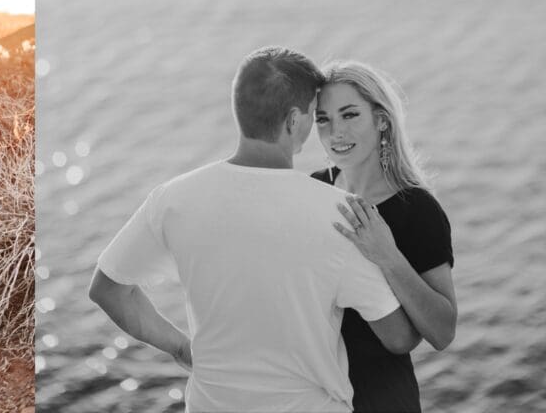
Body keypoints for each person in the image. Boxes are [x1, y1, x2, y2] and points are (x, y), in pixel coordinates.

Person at [89, 46, 422, 412]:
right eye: (315, 115)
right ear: (294, 121)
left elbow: (108, 291)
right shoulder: (339, 213)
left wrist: (182, 348)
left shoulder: (172, 199)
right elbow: (399, 336)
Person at [311, 60, 456, 413]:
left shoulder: (417, 208)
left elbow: (442, 331)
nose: (336, 133)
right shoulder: (313, 190)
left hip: (381, 397)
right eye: (323, 119)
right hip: (313, 394)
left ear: (381, 120)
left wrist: (387, 255)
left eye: (349, 115)